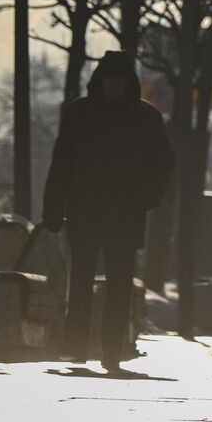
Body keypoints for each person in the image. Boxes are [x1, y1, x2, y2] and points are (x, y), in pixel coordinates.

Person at [40, 51, 173, 372]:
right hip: (110, 213)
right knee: (92, 284)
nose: (113, 86)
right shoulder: (144, 117)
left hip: (104, 212)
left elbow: (162, 164)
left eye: (118, 81)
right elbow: (62, 163)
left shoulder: (82, 113)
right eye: (110, 80)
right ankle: (93, 349)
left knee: (109, 286)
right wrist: (53, 209)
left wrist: (145, 197)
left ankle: (97, 349)